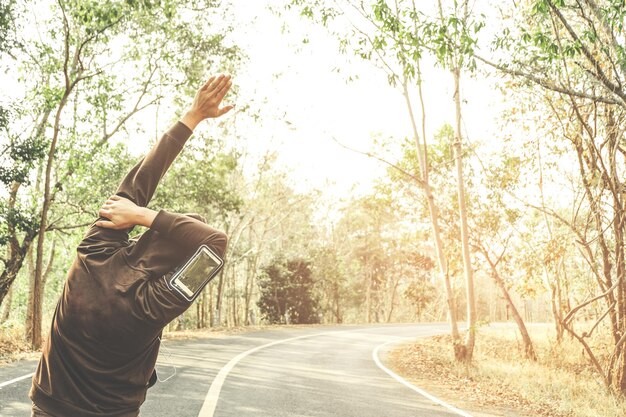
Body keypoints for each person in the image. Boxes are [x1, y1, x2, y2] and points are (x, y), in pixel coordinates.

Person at [29, 74, 234, 417]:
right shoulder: (157, 301)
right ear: (176, 268)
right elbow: (216, 242)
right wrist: (145, 216)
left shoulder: (93, 254)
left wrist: (193, 116)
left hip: (50, 406)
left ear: (144, 233)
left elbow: (141, 179)